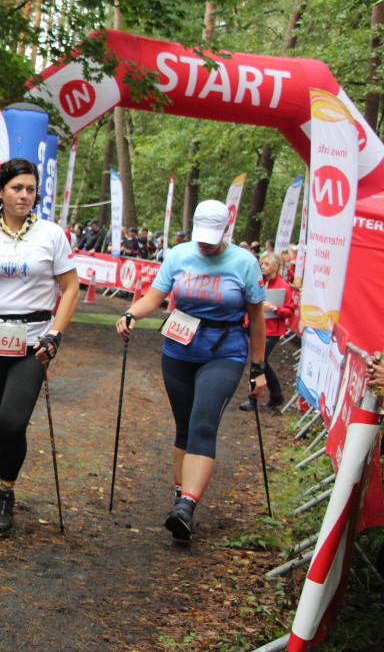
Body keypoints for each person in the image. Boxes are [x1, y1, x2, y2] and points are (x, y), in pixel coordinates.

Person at [114, 200, 267, 542]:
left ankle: (186, 506)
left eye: (213, 237)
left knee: (203, 422)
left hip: (225, 349)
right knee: (184, 425)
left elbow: (256, 319)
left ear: (226, 230)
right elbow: (154, 297)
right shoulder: (179, 254)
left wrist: (259, 367)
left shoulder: (245, 263)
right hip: (180, 347)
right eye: (201, 236)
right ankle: (181, 495)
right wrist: (130, 315)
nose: (206, 243)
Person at [0, 158, 80, 536]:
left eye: (31, 189)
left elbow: (71, 286)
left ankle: (7, 491)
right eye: (17, 188)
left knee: (12, 423)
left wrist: (55, 334)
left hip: (33, 342)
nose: (25, 195)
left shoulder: (50, 234)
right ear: (0, 191)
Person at [241, 252, 295, 412]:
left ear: (276, 267)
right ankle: (276, 395)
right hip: (254, 326)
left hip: (271, 331)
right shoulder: (259, 283)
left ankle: (251, 399)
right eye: (262, 264)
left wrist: (274, 308)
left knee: (259, 361)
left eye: (266, 264)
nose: (262, 267)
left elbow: (290, 310)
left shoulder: (284, 286)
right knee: (262, 362)